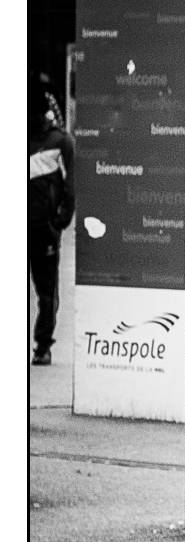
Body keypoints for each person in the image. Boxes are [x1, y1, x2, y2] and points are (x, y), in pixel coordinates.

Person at [28, 79, 74, 366]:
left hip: (44, 228)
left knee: (46, 293)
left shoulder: (60, 142)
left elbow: (71, 185)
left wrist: (60, 220)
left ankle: (42, 344)